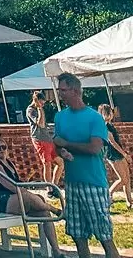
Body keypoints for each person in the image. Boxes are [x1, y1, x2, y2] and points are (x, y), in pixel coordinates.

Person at [53, 73, 120, 258]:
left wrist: (67, 144)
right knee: (77, 234)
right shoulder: (60, 117)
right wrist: (62, 151)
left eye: (63, 90)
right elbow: (57, 144)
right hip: (72, 183)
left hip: (94, 182)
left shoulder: (94, 118)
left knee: (104, 234)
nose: (60, 94)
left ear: (75, 91)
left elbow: (94, 148)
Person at [0, 137, 62, 255]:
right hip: (5, 200)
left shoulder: (10, 163)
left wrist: (26, 189)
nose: (1, 150)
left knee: (44, 214)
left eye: (4, 147)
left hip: (18, 198)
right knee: (28, 197)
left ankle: (56, 250)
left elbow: (18, 182)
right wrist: (25, 192)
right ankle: (55, 209)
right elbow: (9, 185)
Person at [98, 104, 130, 206]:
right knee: (123, 179)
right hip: (113, 155)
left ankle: (129, 201)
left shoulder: (110, 125)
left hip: (118, 153)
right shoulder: (103, 126)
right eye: (109, 112)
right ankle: (108, 194)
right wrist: (125, 154)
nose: (111, 114)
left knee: (127, 178)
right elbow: (112, 142)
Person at [29, 92, 63, 185]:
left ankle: (54, 184)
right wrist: (39, 108)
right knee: (47, 164)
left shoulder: (40, 109)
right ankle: (49, 188)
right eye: (41, 103)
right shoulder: (31, 110)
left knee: (60, 162)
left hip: (48, 139)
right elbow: (40, 123)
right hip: (39, 139)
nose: (43, 105)